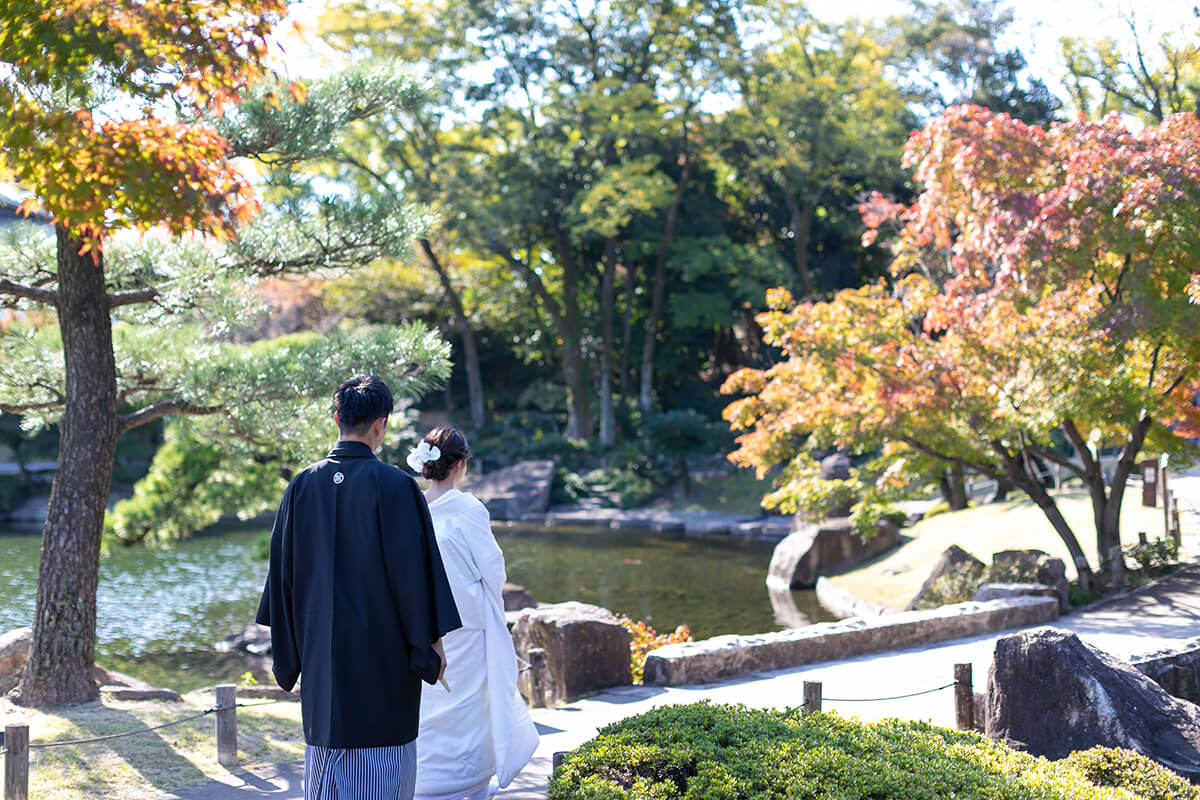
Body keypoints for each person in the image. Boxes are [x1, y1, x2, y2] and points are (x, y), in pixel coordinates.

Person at [256, 375, 462, 800]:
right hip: (382, 668)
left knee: (326, 783)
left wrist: (291, 656)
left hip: (322, 671)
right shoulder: (397, 486)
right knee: (383, 778)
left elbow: (282, 582)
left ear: (337, 419)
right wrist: (431, 645)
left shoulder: (300, 487)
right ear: (380, 426)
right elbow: (415, 580)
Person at [409, 427, 539, 800]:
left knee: (430, 707)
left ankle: (424, 782)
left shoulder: (412, 507)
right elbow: (494, 571)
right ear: (461, 464)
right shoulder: (468, 509)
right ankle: (470, 785)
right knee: (469, 708)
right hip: (467, 625)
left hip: (426, 626)